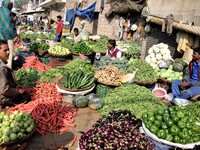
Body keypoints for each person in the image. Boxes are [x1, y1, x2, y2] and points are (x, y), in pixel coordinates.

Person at [0, 40, 30, 110]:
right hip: (2, 97)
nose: (8, 52)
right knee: (26, 97)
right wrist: (17, 91)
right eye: (5, 50)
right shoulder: (1, 67)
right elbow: (4, 90)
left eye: (8, 50)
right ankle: (6, 103)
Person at [0, 0, 18, 69]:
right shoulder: (8, 12)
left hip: (0, 34)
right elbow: (10, 26)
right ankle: (8, 67)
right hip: (9, 36)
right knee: (9, 52)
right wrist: (15, 35)